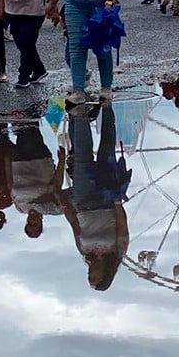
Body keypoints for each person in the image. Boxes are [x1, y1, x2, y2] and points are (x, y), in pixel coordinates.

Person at [55, 103, 131, 291]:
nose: (89, 273)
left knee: (81, 158)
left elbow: (75, 225)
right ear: (105, 274)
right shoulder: (118, 251)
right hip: (106, 201)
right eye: (93, 276)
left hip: (82, 203)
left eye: (89, 276)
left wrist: (64, 204)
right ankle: (107, 107)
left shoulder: (84, 252)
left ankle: (80, 116)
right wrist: (117, 201)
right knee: (106, 151)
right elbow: (122, 226)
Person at [12, 122, 61, 239]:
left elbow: (11, 187)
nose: (32, 221)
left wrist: (8, 163)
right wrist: (62, 160)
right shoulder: (49, 208)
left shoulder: (20, 209)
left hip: (18, 163)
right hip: (40, 162)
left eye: (29, 224)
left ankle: (15, 110)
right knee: (30, 130)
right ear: (41, 223)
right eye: (35, 224)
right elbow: (57, 184)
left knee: (20, 131)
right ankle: (30, 107)